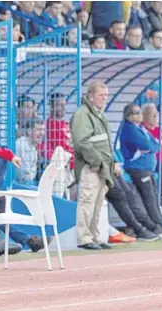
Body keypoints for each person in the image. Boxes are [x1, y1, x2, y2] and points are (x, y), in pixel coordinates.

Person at [119, 103, 162, 238]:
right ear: (128, 116)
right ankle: (159, 227)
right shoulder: (130, 129)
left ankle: (160, 226)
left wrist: (153, 146)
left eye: (140, 112)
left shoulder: (140, 128)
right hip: (138, 169)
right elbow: (147, 145)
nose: (140, 115)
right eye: (136, 113)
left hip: (146, 169)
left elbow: (154, 145)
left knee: (152, 198)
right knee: (150, 199)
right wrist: (152, 146)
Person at [70, 81, 114, 251]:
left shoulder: (98, 114)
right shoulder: (83, 114)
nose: (104, 99)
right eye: (101, 95)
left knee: (97, 203)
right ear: (90, 96)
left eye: (106, 95)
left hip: (101, 167)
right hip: (91, 167)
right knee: (87, 201)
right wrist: (96, 162)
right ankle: (84, 238)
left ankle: (94, 236)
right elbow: (82, 141)